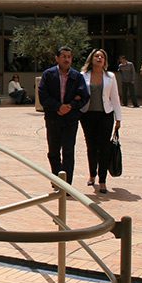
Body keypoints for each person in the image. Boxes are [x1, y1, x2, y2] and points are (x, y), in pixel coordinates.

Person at [37, 46, 89, 184]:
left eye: (69, 57)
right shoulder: (48, 75)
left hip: (70, 120)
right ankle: (57, 178)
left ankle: (66, 185)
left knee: (68, 152)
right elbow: (43, 96)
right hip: (53, 118)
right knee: (53, 152)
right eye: (64, 56)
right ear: (57, 58)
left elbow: (84, 96)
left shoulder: (77, 76)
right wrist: (58, 107)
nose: (67, 59)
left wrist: (71, 106)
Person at [80, 49, 123, 194]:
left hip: (106, 114)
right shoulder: (83, 75)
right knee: (91, 146)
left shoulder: (110, 76)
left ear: (105, 61)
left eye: (102, 57)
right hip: (87, 115)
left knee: (104, 147)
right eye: (96, 56)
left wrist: (119, 118)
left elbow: (115, 98)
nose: (99, 58)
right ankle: (92, 174)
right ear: (91, 59)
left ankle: (102, 180)